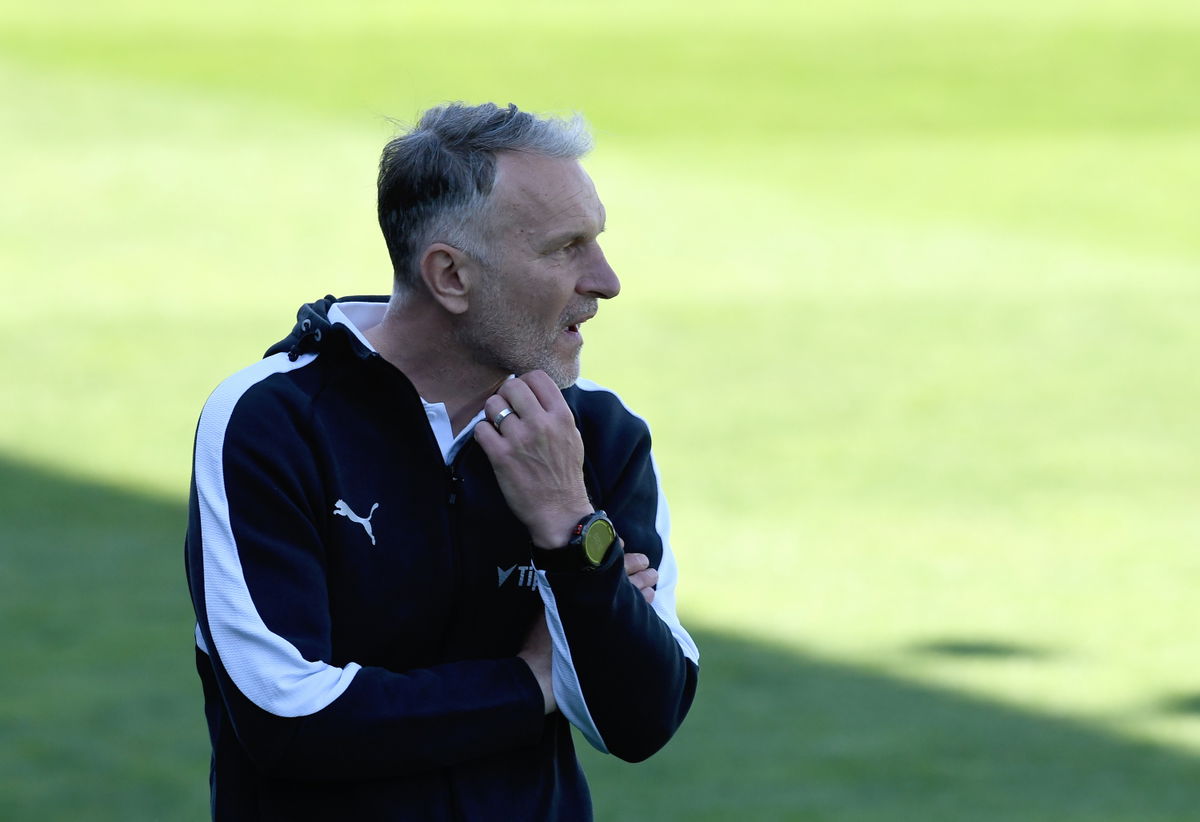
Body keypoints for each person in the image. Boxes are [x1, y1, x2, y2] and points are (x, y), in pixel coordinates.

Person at [184, 102, 699, 821]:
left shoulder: (598, 434)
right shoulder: (273, 422)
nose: (606, 281)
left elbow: (640, 721)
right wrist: (533, 681)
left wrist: (569, 526)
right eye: (565, 248)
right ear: (451, 276)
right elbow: (289, 720)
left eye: (598, 241)